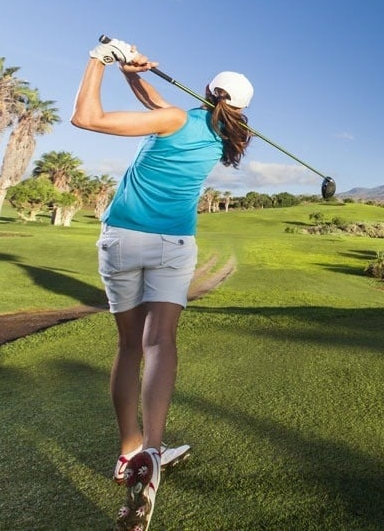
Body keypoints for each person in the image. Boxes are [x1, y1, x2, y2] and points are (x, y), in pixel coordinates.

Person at [72, 38, 253, 530]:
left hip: (124, 239)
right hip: (174, 245)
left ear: (208, 92)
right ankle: (152, 450)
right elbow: (159, 106)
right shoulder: (221, 135)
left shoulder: (179, 119)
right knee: (162, 342)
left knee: (130, 345)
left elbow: (86, 119)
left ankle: (130, 450)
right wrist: (134, 74)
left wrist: (98, 60)